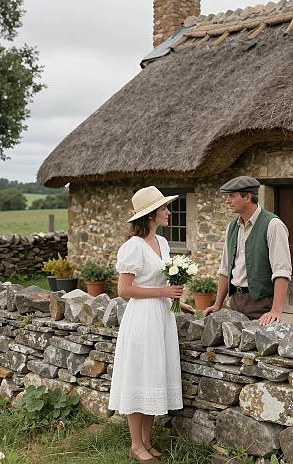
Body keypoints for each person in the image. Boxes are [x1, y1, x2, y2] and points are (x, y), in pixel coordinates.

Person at [109, 186, 195, 463]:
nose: (168, 212)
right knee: (140, 376)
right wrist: (162, 294)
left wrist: (176, 302)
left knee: (153, 376)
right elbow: (124, 289)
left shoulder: (163, 243)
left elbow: (159, 282)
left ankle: (147, 440)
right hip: (142, 319)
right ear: (149, 215)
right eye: (163, 209)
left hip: (161, 317)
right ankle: (136, 445)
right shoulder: (132, 247)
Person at [204, 176, 292, 325]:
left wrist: (276, 310)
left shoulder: (273, 225)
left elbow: (282, 271)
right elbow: (225, 269)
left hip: (262, 305)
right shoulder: (232, 227)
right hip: (235, 303)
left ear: (248, 197)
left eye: (232, 196)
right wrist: (217, 304)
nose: (227, 200)